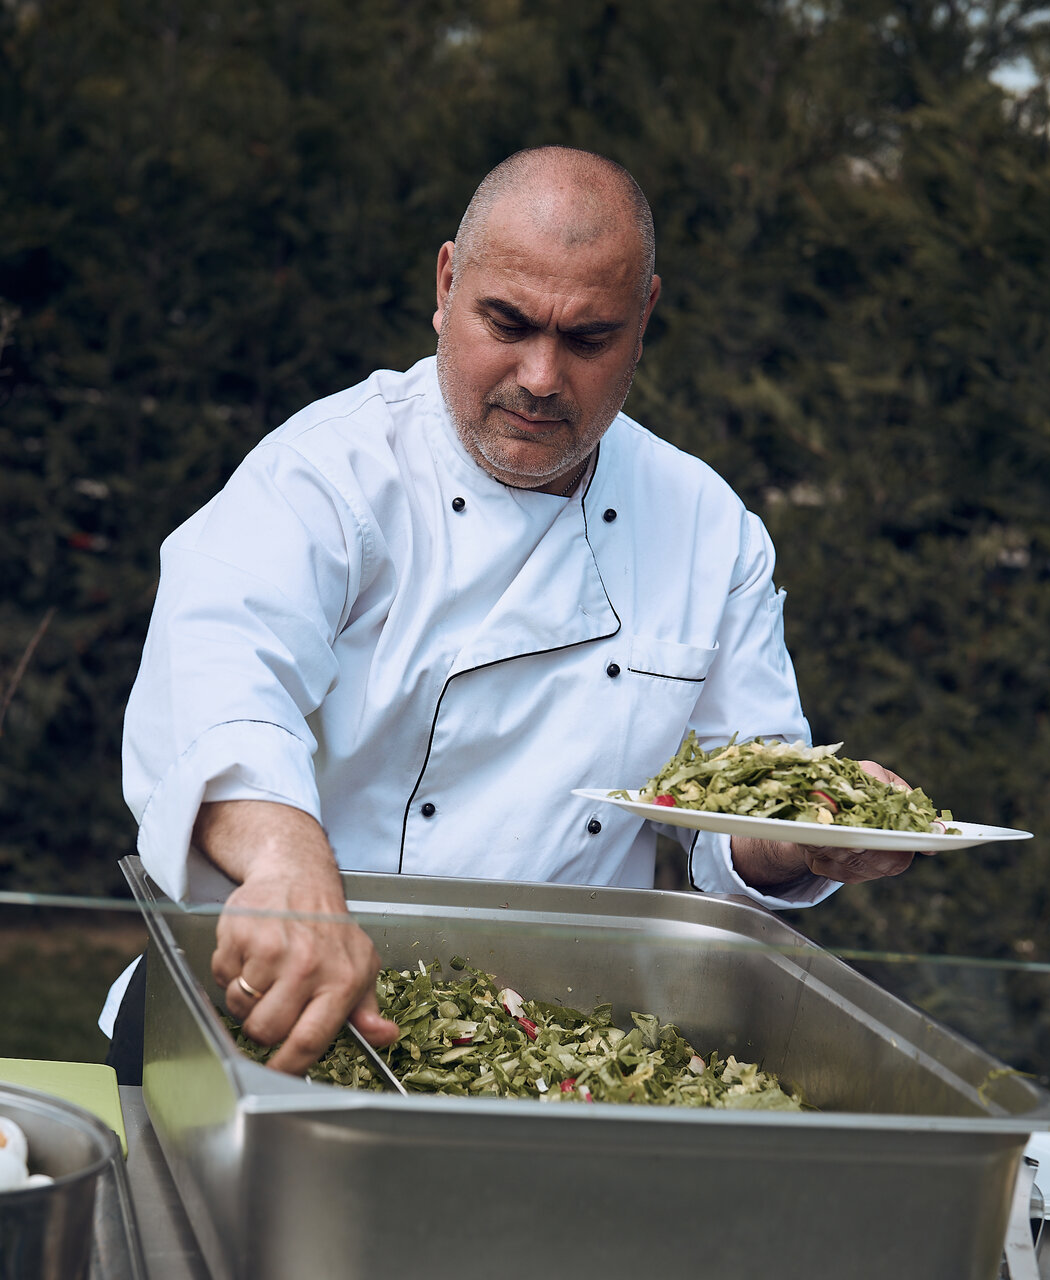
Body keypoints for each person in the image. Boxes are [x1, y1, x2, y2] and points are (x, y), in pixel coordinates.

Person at [101, 146, 924, 1079]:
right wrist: (290, 871)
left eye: (588, 339)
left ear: (645, 319)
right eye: (509, 322)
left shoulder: (708, 530)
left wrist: (805, 838)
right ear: (447, 285)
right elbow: (221, 681)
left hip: (550, 1047)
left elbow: (740, 816)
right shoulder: (328, 473)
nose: (540, 376)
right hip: (290, 1001)